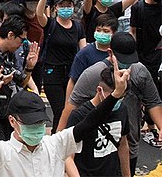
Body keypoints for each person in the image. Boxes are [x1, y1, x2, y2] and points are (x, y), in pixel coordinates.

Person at [0, 54, 130, 177]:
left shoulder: (56, 145)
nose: (37, 128)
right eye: (31, 124)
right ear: (12, 121)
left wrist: (115, 95)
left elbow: (89, 122)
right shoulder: (2, 154)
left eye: (40, 123)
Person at [58, 32, 162, 174]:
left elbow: (153, 101)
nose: (126, 64)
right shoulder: (93, 74)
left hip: (127, 146)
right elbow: (70, 108)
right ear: (110, 53)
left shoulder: (140, 72)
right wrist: (58, 142)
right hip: (92, 154)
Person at [35, 0, 86, 132]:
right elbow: (39, 14)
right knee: (59, 111)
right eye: (62, 5)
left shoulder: (77, 26)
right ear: (56, 8)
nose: (66, 8)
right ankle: (56, 142)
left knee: (71, 110)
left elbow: (83, 50)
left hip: (71, 74)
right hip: (52, 73)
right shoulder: (50, 24)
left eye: (69, 5)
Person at [65, 67, 131, 177]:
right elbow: (68, 156)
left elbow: (123, 144)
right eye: (114, 96)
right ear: (99, 90)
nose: (117, 101)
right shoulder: (79, 116)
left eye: (121, 97)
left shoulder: (122, 110)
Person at [130, 0, 162, 146]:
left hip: (160, 57)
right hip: (145, 55)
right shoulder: (139, 8)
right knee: (151, 94)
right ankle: (150, 127)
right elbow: (133, 31)